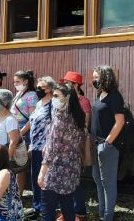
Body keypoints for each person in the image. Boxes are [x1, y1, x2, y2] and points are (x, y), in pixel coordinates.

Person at [38, 83, 86, 221]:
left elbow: (52, 147)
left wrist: (42, 172)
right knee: (68, 206)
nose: (53, 99)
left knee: (47, 209)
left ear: (67, 98)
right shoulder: (77, 116)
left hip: (55, 170)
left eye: (56, 96)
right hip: (71, 168)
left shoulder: (60, 118)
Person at [90, 65, 125, 221]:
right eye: (93, 77)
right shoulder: (99, 95)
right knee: (98, 179)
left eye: (97, 77)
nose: (94, 80)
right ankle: (102, 214)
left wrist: (108, 142)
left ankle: (107, 216)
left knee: (108, 182)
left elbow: (120, 121)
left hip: (107, 146)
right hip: (95, 144)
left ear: (106, 77)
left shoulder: (114, 96)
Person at [61, 71, 91, 220]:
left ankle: (79, 212)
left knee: (75, 180)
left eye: (68, 83)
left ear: (76, 85)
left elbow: (85, 125)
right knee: (64, 178)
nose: (65, 85)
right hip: (64, 144)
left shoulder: (83, 101)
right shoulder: (64, 100)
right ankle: (67, 211)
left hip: (76, 144)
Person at [27, 76, 55, 219]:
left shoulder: (53, 105)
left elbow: (55, 127)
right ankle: (37, 207)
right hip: (35, 146)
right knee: (35, 178)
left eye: (40, 88)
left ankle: (47, 209)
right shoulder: (38, 104)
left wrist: (49, 145)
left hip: (46, 148)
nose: (37, 90)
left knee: (45, 179)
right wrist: (31, 144)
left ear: (49, 89)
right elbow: (33, 124)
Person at [10, 71, 37, 193]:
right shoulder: (18, 94)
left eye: (18, 81)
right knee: (15, 162)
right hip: (15, 129)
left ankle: (19, 193)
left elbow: (32, 119)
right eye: (14, 82)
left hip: (24, 131)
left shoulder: (32, 95)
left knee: (21, 165)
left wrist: (20, 133)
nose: (15, 84)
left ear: (25, 81)